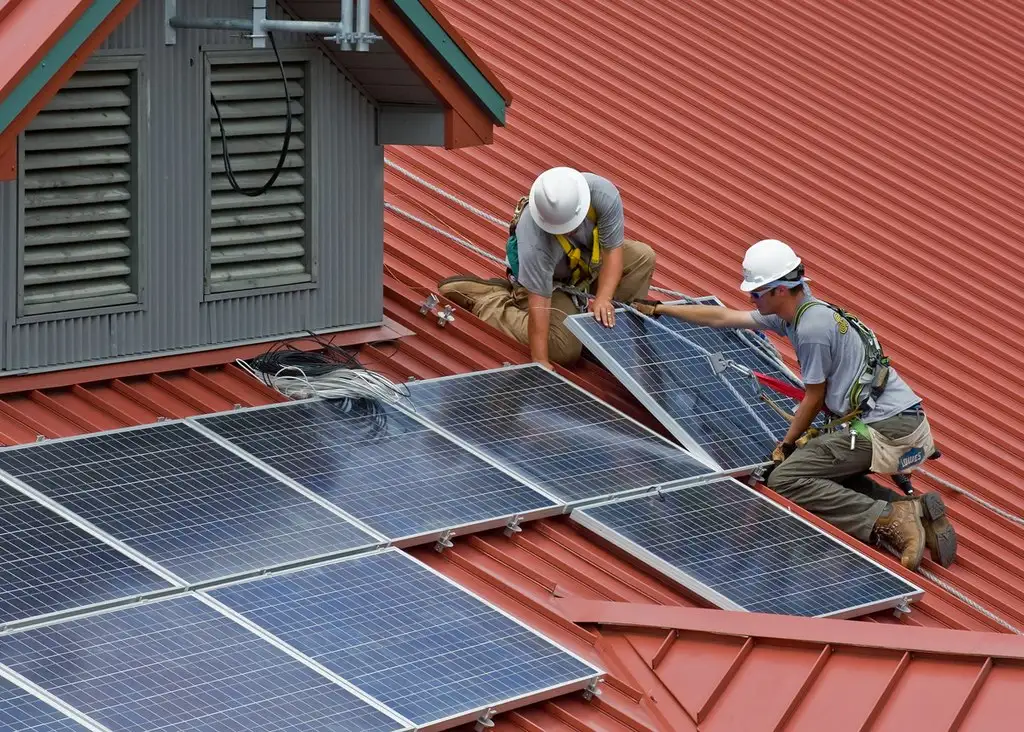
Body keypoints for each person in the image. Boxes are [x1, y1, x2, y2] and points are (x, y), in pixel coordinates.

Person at [632, 238, 957, 571]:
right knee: (815, 470)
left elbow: (814, 397)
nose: (751, 298)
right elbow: (724, 317)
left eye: (757, 293)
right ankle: (915, 510)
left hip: (888, 429)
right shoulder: (801, 314)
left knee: (785, 478)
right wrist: (661, 308)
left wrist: (785, 445)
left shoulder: (812, 329)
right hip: (900, 422)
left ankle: (889, 519)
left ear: (781, 291)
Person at [438, 167, 656, 369]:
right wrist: (541, 361)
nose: (569, 231)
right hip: (552, 284)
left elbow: (612, 254)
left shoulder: (602, 194)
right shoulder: (534, 239)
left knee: (642, 258)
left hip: (586, 265)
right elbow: (539, 306)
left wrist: (603, 298)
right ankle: (491, 302)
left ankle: (603, 337)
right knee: (564, 350)